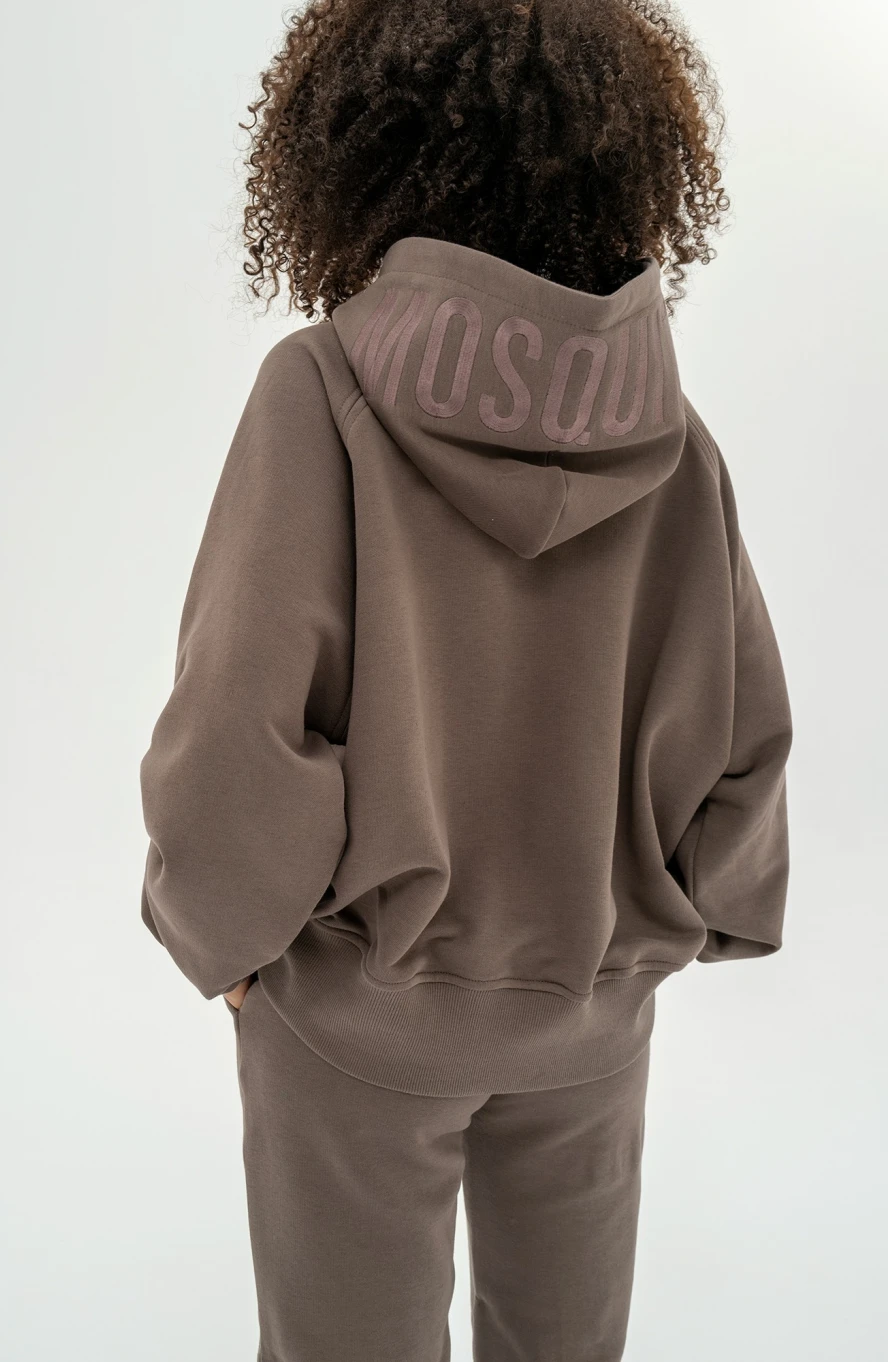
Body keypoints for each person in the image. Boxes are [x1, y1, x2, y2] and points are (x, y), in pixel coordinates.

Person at [139, 1, 793, 1357]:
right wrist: (688, 920)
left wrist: (226, 936)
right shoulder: (674, 438)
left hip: (359, 1020)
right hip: (590, 1018)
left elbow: (238, 719)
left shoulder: (322, 390)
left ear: (359, 151)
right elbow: (742, 728)